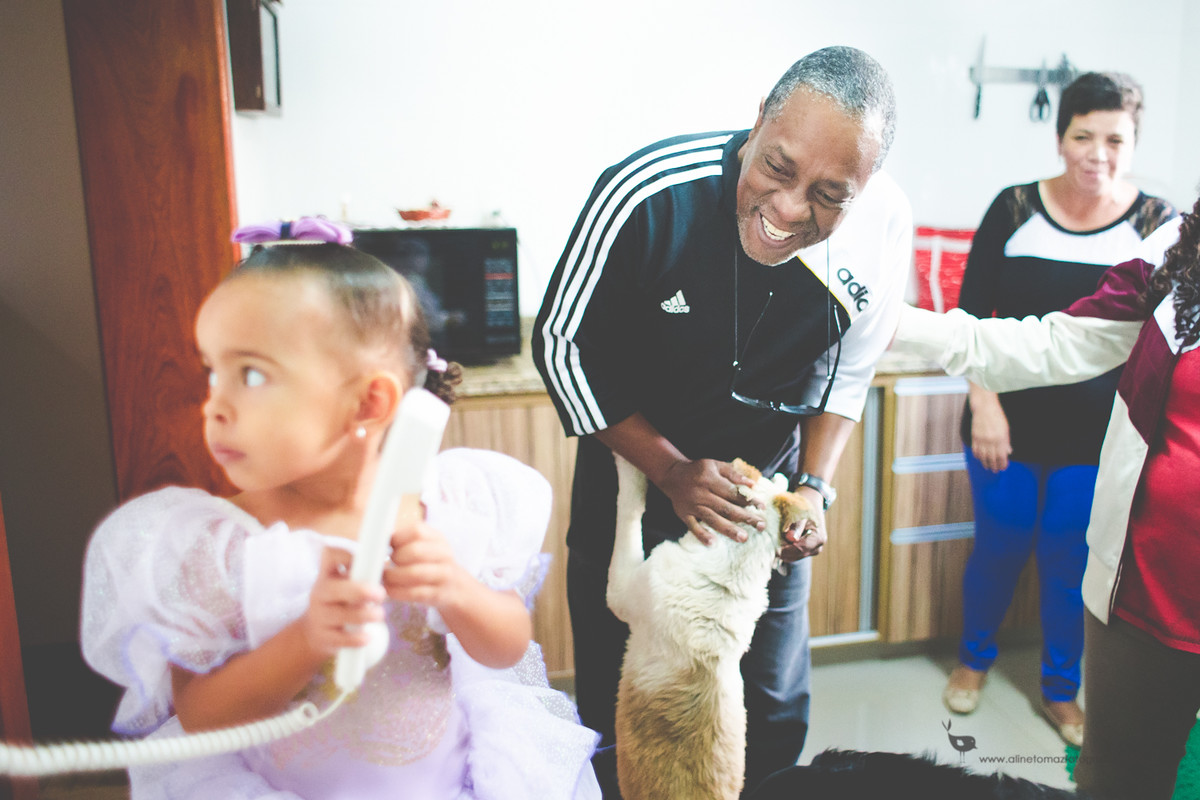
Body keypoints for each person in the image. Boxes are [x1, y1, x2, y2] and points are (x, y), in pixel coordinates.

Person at [80, 218, 601, 800]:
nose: (215, 407)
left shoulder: (450, 506)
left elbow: (506, 646)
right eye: (213, 372)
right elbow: (200, 715)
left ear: (369, 402)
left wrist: (455, 589)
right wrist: (304, 640)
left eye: (251, 375)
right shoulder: (220, 544)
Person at [533, 46, 912, 797]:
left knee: (769, 715)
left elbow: (850, 368)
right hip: (636, 493)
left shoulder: (881, 225)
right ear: (757, 124)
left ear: (864, 189)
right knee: (623, 718)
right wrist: (672, 470)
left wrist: (812, 489)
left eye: (831, 194)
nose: (791, 210)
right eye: (777, 169)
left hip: (758, 514)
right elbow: (559, 342)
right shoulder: (648, 193)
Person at [890, 195, 1200, 800]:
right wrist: (897, 323)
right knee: (1118, 779)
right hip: (1144, 594)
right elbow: (1056, 342)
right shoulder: (1180, 250)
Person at [941, 72, 1177, 749]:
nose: (1096, 153)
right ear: (1059, 137)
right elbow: (967, 318)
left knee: (1070, 559)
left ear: (1132, 144)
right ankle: (973, 661)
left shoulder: (1159, 225)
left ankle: (1058, 689)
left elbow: (1165, 334)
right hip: (1002, 428)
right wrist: (983, 405)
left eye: (1114, 139)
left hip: (1100, 437)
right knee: (1001, 545)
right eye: (1083, 136)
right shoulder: (1013, 208)